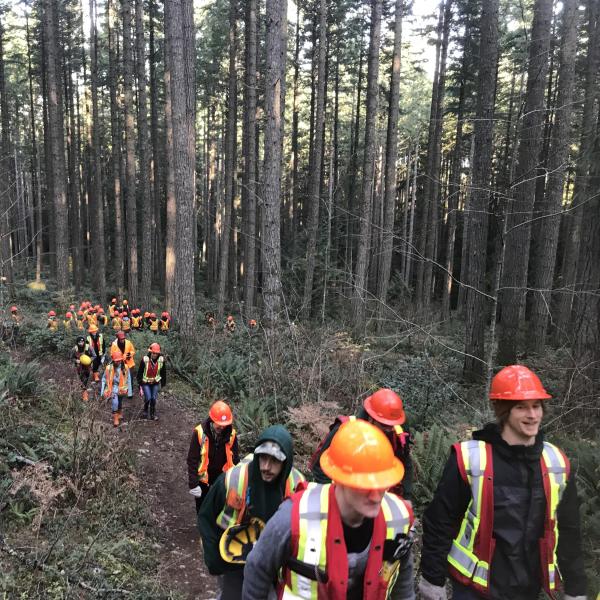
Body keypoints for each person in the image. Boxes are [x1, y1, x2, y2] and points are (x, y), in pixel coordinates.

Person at [418, 365, 588, 600]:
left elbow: (569, 530)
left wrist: (576, 588)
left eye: (537, 406)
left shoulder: (556, 463)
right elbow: (440, 521)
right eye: (521, 407)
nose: (533, 415)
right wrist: (432, 578)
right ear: (503, 411)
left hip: (527, 589)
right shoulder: (470, 459)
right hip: (472, 589)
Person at [243, 418, 415, 600]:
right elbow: (258, 567)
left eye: (382, 483)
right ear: (338, 478)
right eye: (364, 485)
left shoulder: (398, 519)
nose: (375, 496)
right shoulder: (294, 517)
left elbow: (403, 582)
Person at [198, 425, 305, 600]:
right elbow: (205, 516)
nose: (266, 467)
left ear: (286, 462)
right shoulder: (233, 478)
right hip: (234, 561)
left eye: (275, 461)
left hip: (274, 566)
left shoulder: (297, 485)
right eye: (262, 458)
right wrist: (213, 559)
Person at [310, 388, 413, 502]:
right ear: (370, 418)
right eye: (384, 425)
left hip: (378, 499)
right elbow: (319, 466)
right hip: (343, 497)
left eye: (392, 425)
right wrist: (332, 500)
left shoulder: (397, 435)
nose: (389, 429)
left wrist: (407, 497)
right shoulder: (345, 430)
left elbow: (406, 464)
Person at [187, 400, 240, 512]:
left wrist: (237, 483)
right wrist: (193, 484)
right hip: (203, 478)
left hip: (222, 477)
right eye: (219, 425)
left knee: (219, 508)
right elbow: (192, 459)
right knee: (202, 508)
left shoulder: (231, 435)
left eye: (224, 425)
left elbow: (235, 459)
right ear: (212, 420)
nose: (222, 428)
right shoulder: (199, 433)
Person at [100, 349, 132, 427]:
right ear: (113, 360)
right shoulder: (109, 368)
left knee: (120, 402)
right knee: (115, 402)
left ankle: (119, 412)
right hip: (112, 388)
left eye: (119, 360)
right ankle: (115, 418)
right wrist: (102, 391)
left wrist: (130, 392)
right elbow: (104, 379)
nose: (118, 362)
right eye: (116, 361)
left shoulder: (125, 367)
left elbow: (129, 379)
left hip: (122, 389)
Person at [136, 342, 167, 420]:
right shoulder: (145, 360)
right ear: (150, 352)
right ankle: (145, 411)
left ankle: (152, 414)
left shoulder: (161, 360)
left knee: (153, 398)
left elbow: (163, 372)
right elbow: (140, 372)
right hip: (145, 382)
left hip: (155, 382)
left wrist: (163, 383)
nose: (154, 355)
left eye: (156, 353)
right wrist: (139, 383)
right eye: (153, 353)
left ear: (158, 353)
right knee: (148, 398)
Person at [71, 336, 93, 401]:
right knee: (82, 379)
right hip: (79, 367)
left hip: (87, 366)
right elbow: (71, 358)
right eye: (79, 342)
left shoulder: (89, 347)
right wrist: (75, 360)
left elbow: (94, 355)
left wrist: (89, 360)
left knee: (86, 378)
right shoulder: (74, 349)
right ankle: (84, 394)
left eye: (82, 341)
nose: (81, 343)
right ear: (77, 343)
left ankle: (84, 391)